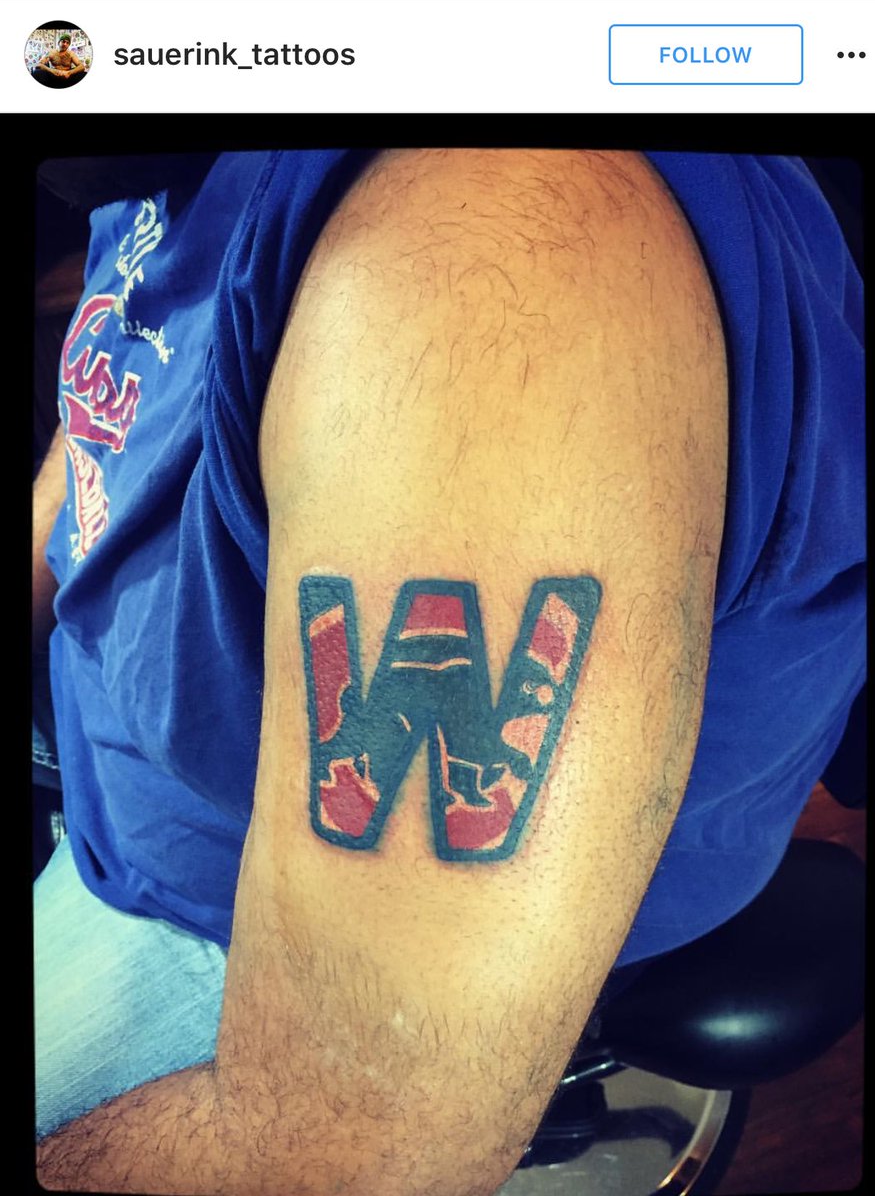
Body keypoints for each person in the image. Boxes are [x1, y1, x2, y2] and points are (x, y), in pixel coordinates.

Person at [33, 148, 864, 1194]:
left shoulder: (493, 260)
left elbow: (348, 1154)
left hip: (226, 923)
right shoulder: (160, 149)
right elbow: (111, 405)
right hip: (108, 767)